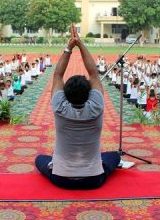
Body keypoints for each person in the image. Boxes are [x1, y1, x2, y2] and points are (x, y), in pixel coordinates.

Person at [35, 24, 120, 190]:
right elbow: (94, 74)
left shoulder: (60, 107)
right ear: (89, 93)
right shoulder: (96, 106)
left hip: (61, 178)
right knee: (115, 155)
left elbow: (58, 74)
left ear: (65, 94)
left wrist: (69, 47)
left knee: (40, 158)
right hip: (94, 179)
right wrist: (80, 44)